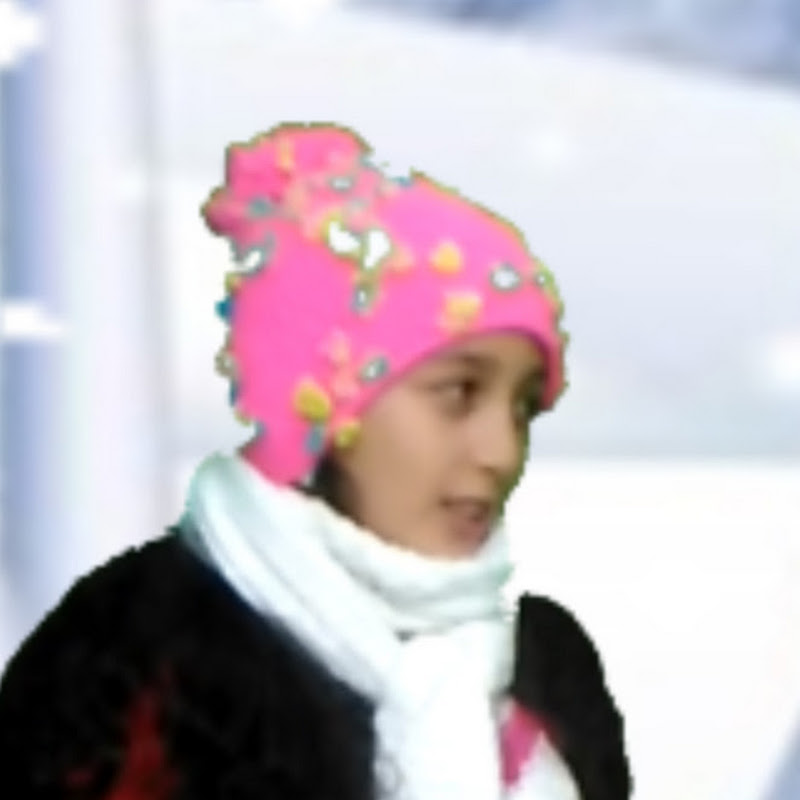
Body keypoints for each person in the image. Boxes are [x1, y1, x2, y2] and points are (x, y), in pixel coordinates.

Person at [0, 122, 632, 799]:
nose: (502, 452)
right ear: (329, 408)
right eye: (457, 393)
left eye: (522, 405)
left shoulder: (546, 669)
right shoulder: (137, 658)